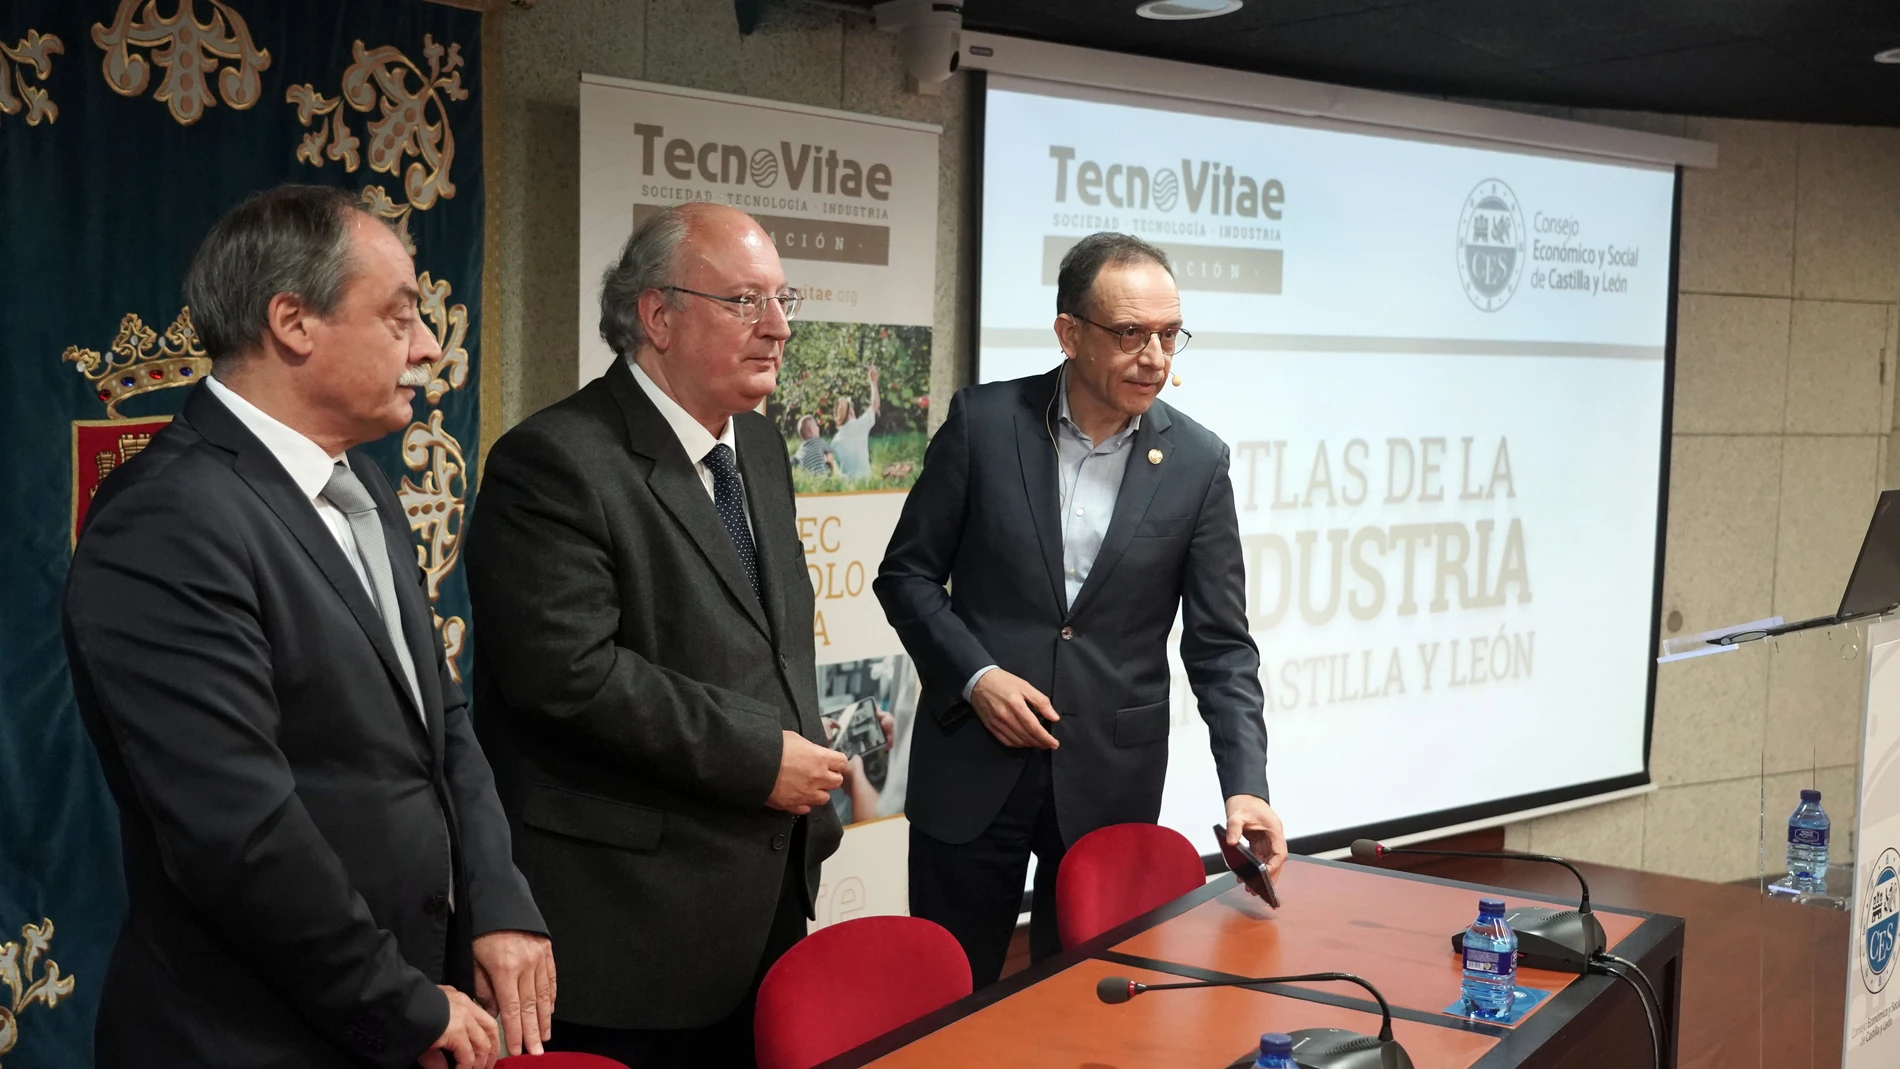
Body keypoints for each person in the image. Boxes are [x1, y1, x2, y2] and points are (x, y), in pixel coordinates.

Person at [64, 184, 553, 1069]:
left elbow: (440, 725)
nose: (430, 347)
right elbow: (238, 830)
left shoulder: (363, 491)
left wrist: (499, 899)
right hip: (256, 1035)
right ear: (293, 321)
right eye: (400, 316)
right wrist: (398, 1003)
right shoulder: (169, 518)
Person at [466, 202, 846, 1068]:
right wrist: (760, 757)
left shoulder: (759, 444)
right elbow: (568, 674)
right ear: (658, 315)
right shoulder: (554, 461)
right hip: (633, 924)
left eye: (783, 301)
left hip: (764, 899)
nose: (780, 328)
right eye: (747, 301)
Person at [874, 231, 1285, 986]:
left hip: (1110, 778)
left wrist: (1246, 783)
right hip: (971, 765)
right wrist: (975, 676)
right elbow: (906, 576)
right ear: (1069, 332)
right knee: (948, 1003)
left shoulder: (1198, 462)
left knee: (1095, 999)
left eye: (1169, 335)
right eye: (1131, 334)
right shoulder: (982, 425)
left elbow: (1221, 646)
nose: (1155, 358)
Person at [831, 364, 880, 478]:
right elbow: (875, 405)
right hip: (865, 481)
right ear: (851, 412)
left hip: (848, 487)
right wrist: (873, 382)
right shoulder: (859, 426)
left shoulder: (834, 442)